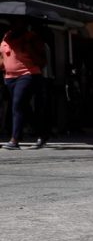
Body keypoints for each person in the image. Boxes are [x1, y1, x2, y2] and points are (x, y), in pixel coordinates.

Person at [0, 18, 47, 149]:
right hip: (9, 77)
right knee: (24, 108)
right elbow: (3, 56)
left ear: (25, 23)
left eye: (17, 22)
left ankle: (15, 140)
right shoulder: (6, 36)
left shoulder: (31, 37)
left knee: (17, 105)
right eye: (12, 22)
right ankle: (42, 133)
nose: (13, 24)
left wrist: (29, 48)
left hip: (28, 74)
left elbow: (42, 61)